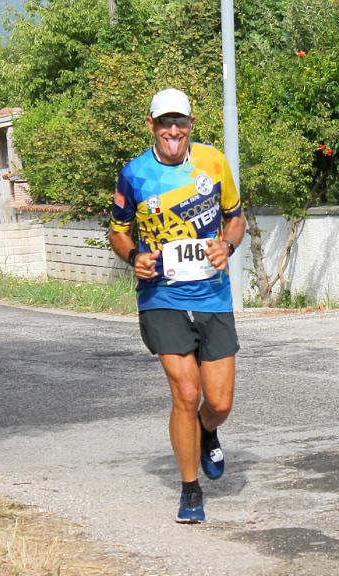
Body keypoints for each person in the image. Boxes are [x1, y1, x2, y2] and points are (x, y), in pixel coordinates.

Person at [108, 88, 246, 524]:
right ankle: (190, 490)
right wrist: (134, 256)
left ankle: (207, 430)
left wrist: (227, 245)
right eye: (164, 122)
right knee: (186, 393)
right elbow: (117, 231)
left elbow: (236, 217)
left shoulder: (213, 162)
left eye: (180, 122)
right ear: (151, 125)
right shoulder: (134, 174)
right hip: (161, 297)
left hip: (212, 295)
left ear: (191, 124)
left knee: (218, 403)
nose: (173, 130)